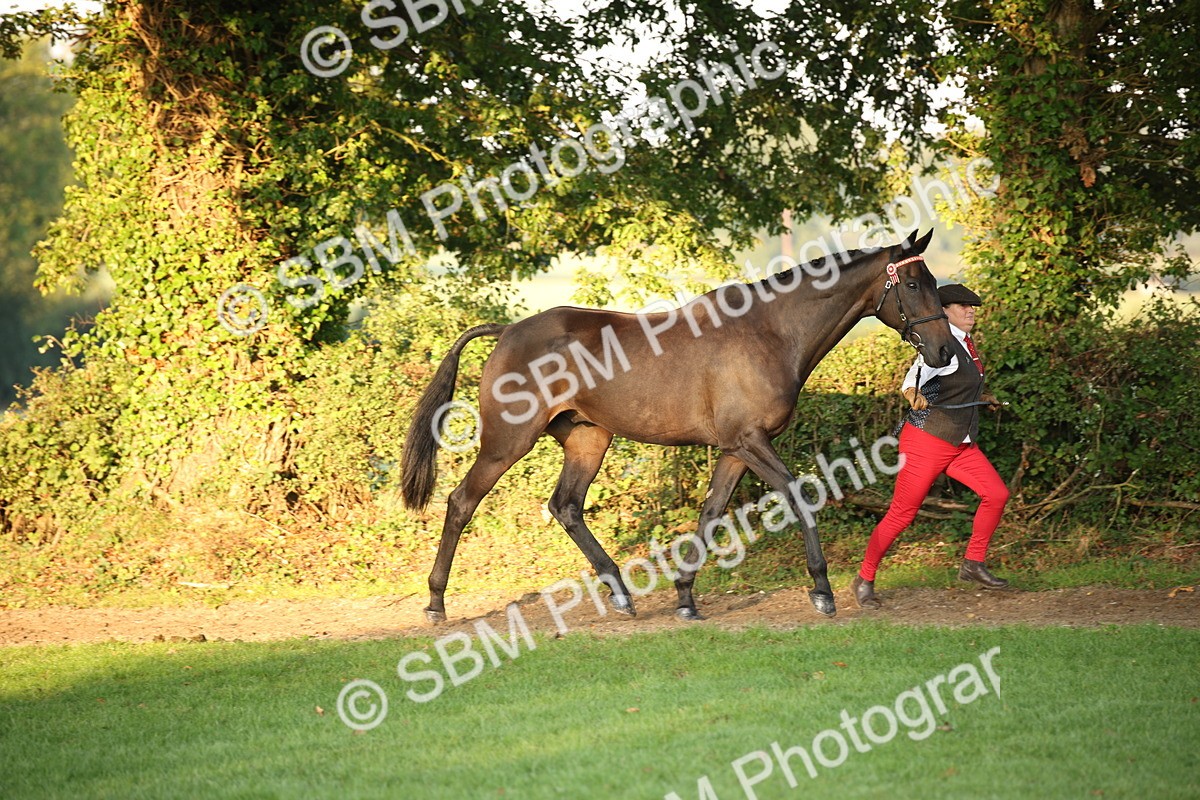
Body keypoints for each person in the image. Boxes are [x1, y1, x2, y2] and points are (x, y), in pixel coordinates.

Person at [852, 283, 1011, 609]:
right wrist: (914, 395)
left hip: (960, 442)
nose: (971, 311)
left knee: (996, 495)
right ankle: (864, 577)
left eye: (973, 307)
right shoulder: (943, 343)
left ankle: (972, 564)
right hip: (926, 442)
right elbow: (912, 379)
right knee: (902, 514)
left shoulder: (966, 344)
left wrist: (982, 398)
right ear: (945, 310)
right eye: (962, 306)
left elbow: (956, 386)